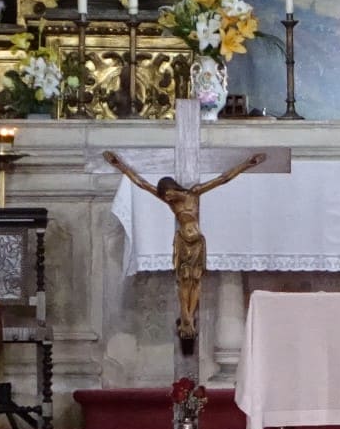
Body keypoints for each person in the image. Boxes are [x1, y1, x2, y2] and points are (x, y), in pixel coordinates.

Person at [104, 150, 267, 354]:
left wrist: (247, 164)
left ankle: (190, 316)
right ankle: (186, 317)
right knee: (183, 280)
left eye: (168, 193)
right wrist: (120, 165)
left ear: (172, 188)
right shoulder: (170, 202)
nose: (167, 198)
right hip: (182, 242)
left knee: (195, 279)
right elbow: (142, 184)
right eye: (164, 196)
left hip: (197, 242)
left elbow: (223, 179)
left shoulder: (194, 193)